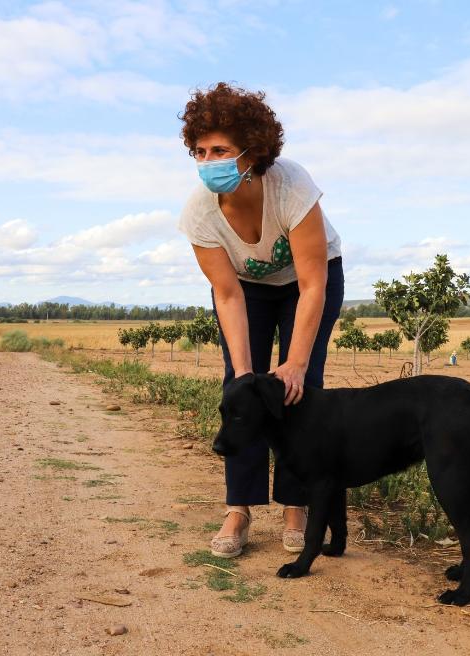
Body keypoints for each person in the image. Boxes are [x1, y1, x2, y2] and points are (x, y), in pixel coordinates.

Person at [177, 83, 344, 558]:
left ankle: (296, 503)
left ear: (253, 152)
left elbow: (314, 285)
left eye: (221, 150)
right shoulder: (199, 212)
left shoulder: (290, 186)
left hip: (308, 281)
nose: (209, 160)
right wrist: (246, 371)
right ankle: (239, 508)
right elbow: (227, 292)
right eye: (201, 150)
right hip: (246, 289)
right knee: (241, 387)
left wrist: (291, 363)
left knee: (300, 386)